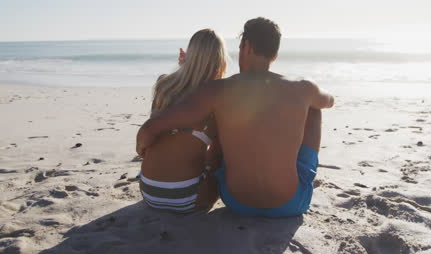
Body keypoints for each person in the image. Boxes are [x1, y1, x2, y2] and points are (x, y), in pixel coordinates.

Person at [137, 17, 334, 217]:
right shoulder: (303, 87)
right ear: (275, 54)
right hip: (289, 205)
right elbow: (329, 101)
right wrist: (309, 93)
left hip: (236, 201)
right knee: (314, 108)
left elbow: (156, 125)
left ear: (245, 46)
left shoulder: (217, 90)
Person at [137, 29, 227, 213]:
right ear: (220, 60)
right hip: (186, 197)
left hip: (148, 190)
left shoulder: (165, 84)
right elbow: (217, 153)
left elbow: (146, 142)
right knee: (222, 162)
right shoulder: (215, 96)